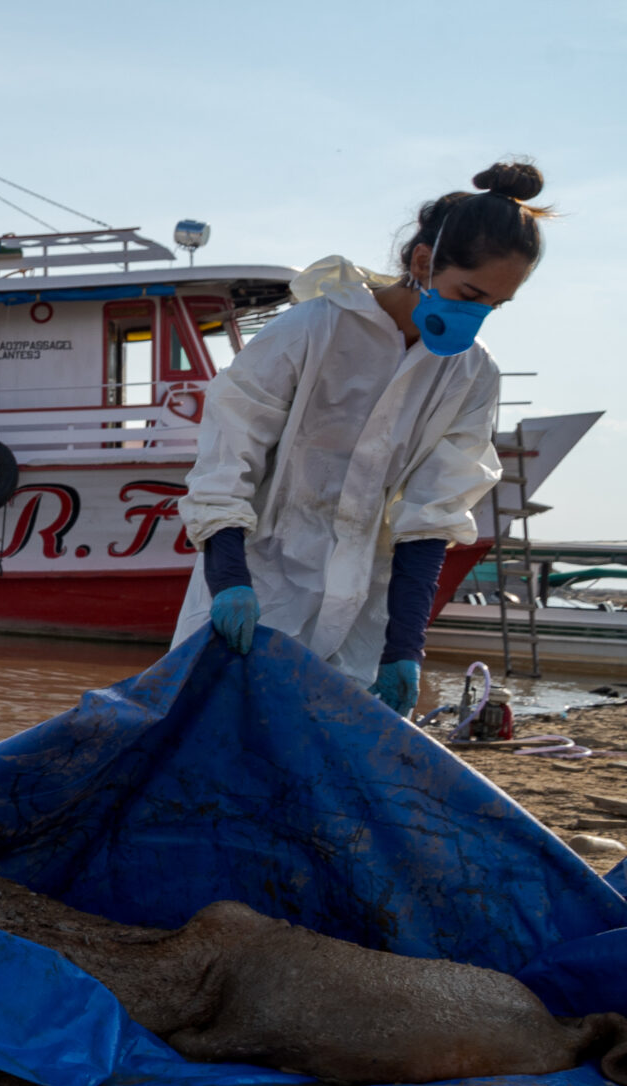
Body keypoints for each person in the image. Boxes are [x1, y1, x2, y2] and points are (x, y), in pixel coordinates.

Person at [176, 163, 553, 711]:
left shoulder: (471, 374)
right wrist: (230, 579)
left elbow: (433, 512)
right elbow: (228, 455)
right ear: (422, 263)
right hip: (256, 588)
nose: (476, 317)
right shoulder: (312, 330)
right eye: (468, 294)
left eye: (493, 306)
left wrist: (404, 647)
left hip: (358, 613)